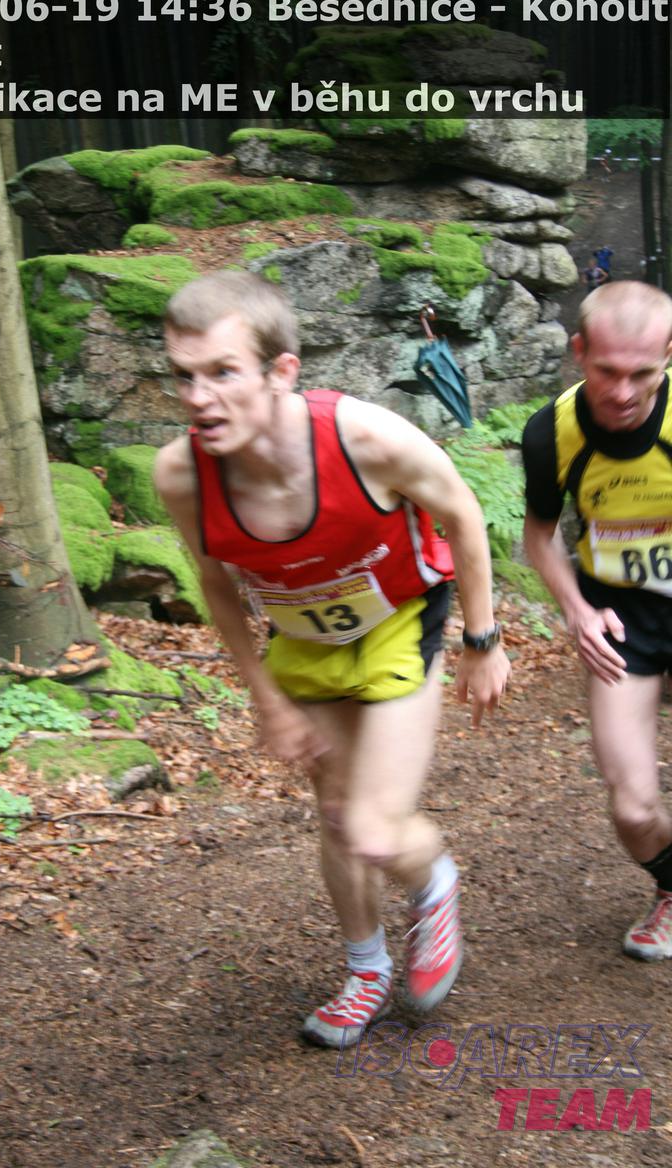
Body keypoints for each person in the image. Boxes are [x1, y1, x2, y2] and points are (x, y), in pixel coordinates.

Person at [154, 270, 510, 1048]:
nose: (200, 399)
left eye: (223, 373)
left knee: (375, 829)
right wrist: (264, 696)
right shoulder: (182, 474)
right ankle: (366, 970)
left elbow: (461, 511)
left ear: (282, 372)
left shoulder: (366, 439)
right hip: (304, 636)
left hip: (398, 620)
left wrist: (483, 640)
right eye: (185, 376)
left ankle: (433, 879)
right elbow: (214, 582)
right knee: (337, 814)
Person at [522, 280, 672, 962]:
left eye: (643, 373)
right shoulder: (551, 433)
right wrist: (577, 611)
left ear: (668, 356)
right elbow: (538, 536)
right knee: (633, 809)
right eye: (607, 370)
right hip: (622, 618)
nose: (622, 392)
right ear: (579, 351)